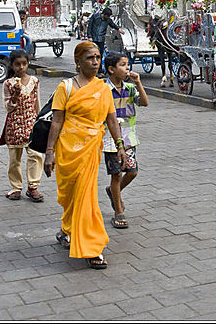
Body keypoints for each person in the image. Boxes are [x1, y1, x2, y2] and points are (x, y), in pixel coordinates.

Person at [43, 41, 127, 269]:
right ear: (78, 61)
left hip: (91, 149)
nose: (95, 62)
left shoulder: (103, 88)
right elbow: (57, 120)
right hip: (67, 149)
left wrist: (120, 145)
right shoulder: (65, 87)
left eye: (98, 57)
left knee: (86, 197)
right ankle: (67, 230)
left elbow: (111, 119)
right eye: (90, 57)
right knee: (70, 196)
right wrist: (49, 152)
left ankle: (92, 247)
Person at [101, 53, 149, 229]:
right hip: (110, 139)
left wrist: (138, 83)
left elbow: (144, 103)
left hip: (129, 138)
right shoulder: (103, 90)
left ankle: (114, 192)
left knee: (132, 172)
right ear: (111, 69)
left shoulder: (129, 88)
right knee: (116, 174)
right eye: (123, 65)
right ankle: (118, 211)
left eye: (128, 64)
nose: (127, 68)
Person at [0, 49, 44, 202]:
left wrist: (39, 120)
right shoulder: (8, 84)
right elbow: (8, 107)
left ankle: (33, 186)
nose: (21, 67)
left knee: (35, 155)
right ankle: (16, 187)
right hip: (14, 125)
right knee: (14, 159)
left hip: (31, 123)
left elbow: (37, 103)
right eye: (17, 64)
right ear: (12, 65)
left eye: (24, 64)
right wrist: (15, 95)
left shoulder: (34, 81)